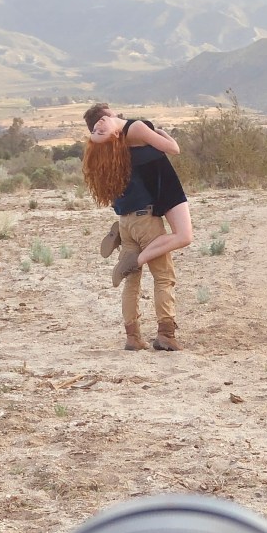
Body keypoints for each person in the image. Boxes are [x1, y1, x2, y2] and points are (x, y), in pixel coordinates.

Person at [82, 103, 193, 352]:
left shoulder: (109, 152)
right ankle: (166, 335)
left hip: (125, 221)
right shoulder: (133, 132)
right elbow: (172, 149)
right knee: (163, 277)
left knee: (132, 281)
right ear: (105, 119)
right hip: (146, 219)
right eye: (111, 114)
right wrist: (162, 134)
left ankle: (132, 337)